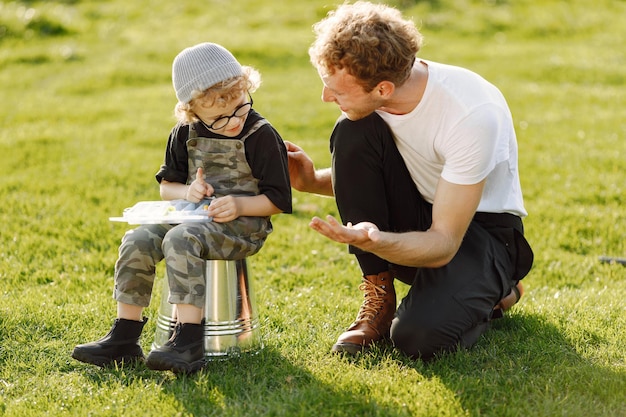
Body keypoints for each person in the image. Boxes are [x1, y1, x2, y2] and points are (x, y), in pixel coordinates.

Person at [286, 1, 533, 360]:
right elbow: (384, 177)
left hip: (481, 234)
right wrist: (310, 181)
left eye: (335, 89)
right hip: (422, 210)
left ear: (384, 88)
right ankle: (379, 299)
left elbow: (444, 242)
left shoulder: (470, 115)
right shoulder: (375, 106)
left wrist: (376, 239)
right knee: (352, 132)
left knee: (415, 338)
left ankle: (495, 290)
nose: (325, 97)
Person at [72, 42, 292, 373]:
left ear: (246, 87)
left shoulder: (260, 135)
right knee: (138, 239)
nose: (233, 120)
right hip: (193, 217)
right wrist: (188, 191)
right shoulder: (183, 134)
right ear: (191, 110)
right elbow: (166, 188)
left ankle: (188, 340)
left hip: (244, 226)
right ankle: (124, 336)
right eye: (219, 117)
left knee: (180, 239)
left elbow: (278, 200)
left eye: (240, 105)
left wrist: (239, 204)